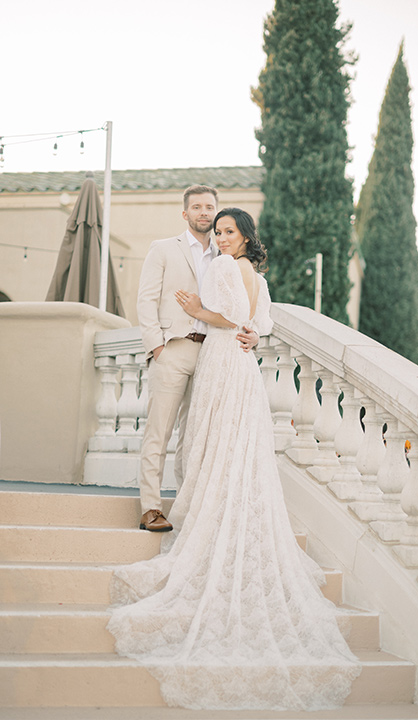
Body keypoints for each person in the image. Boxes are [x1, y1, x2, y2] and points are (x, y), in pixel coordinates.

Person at [108, 209, 361, 711]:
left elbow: (229, 319)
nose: (222, 237)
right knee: (232, 441)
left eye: (228, 231)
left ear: (244, 235)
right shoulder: (259, 277)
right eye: (218, 231)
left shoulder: (225, 268)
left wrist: (198, 311)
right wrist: (246, 332)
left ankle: (208, 513)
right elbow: (258, 322)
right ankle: (223, 508)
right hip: (241, 364)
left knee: (211, 437)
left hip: (223, 357)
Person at [136, 187, 258, 532]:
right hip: (173, 349)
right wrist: (156, 347)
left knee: (195, 437)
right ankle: (150, 507)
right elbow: (145, 300)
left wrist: (255, 335)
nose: (204, 212)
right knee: (159, 432)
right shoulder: (163, 249)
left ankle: (185, 508)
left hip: (213, 355)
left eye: (209, 207)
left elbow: (243, 308)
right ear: (185, 213)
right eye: (197, 207)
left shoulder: (228, 255)